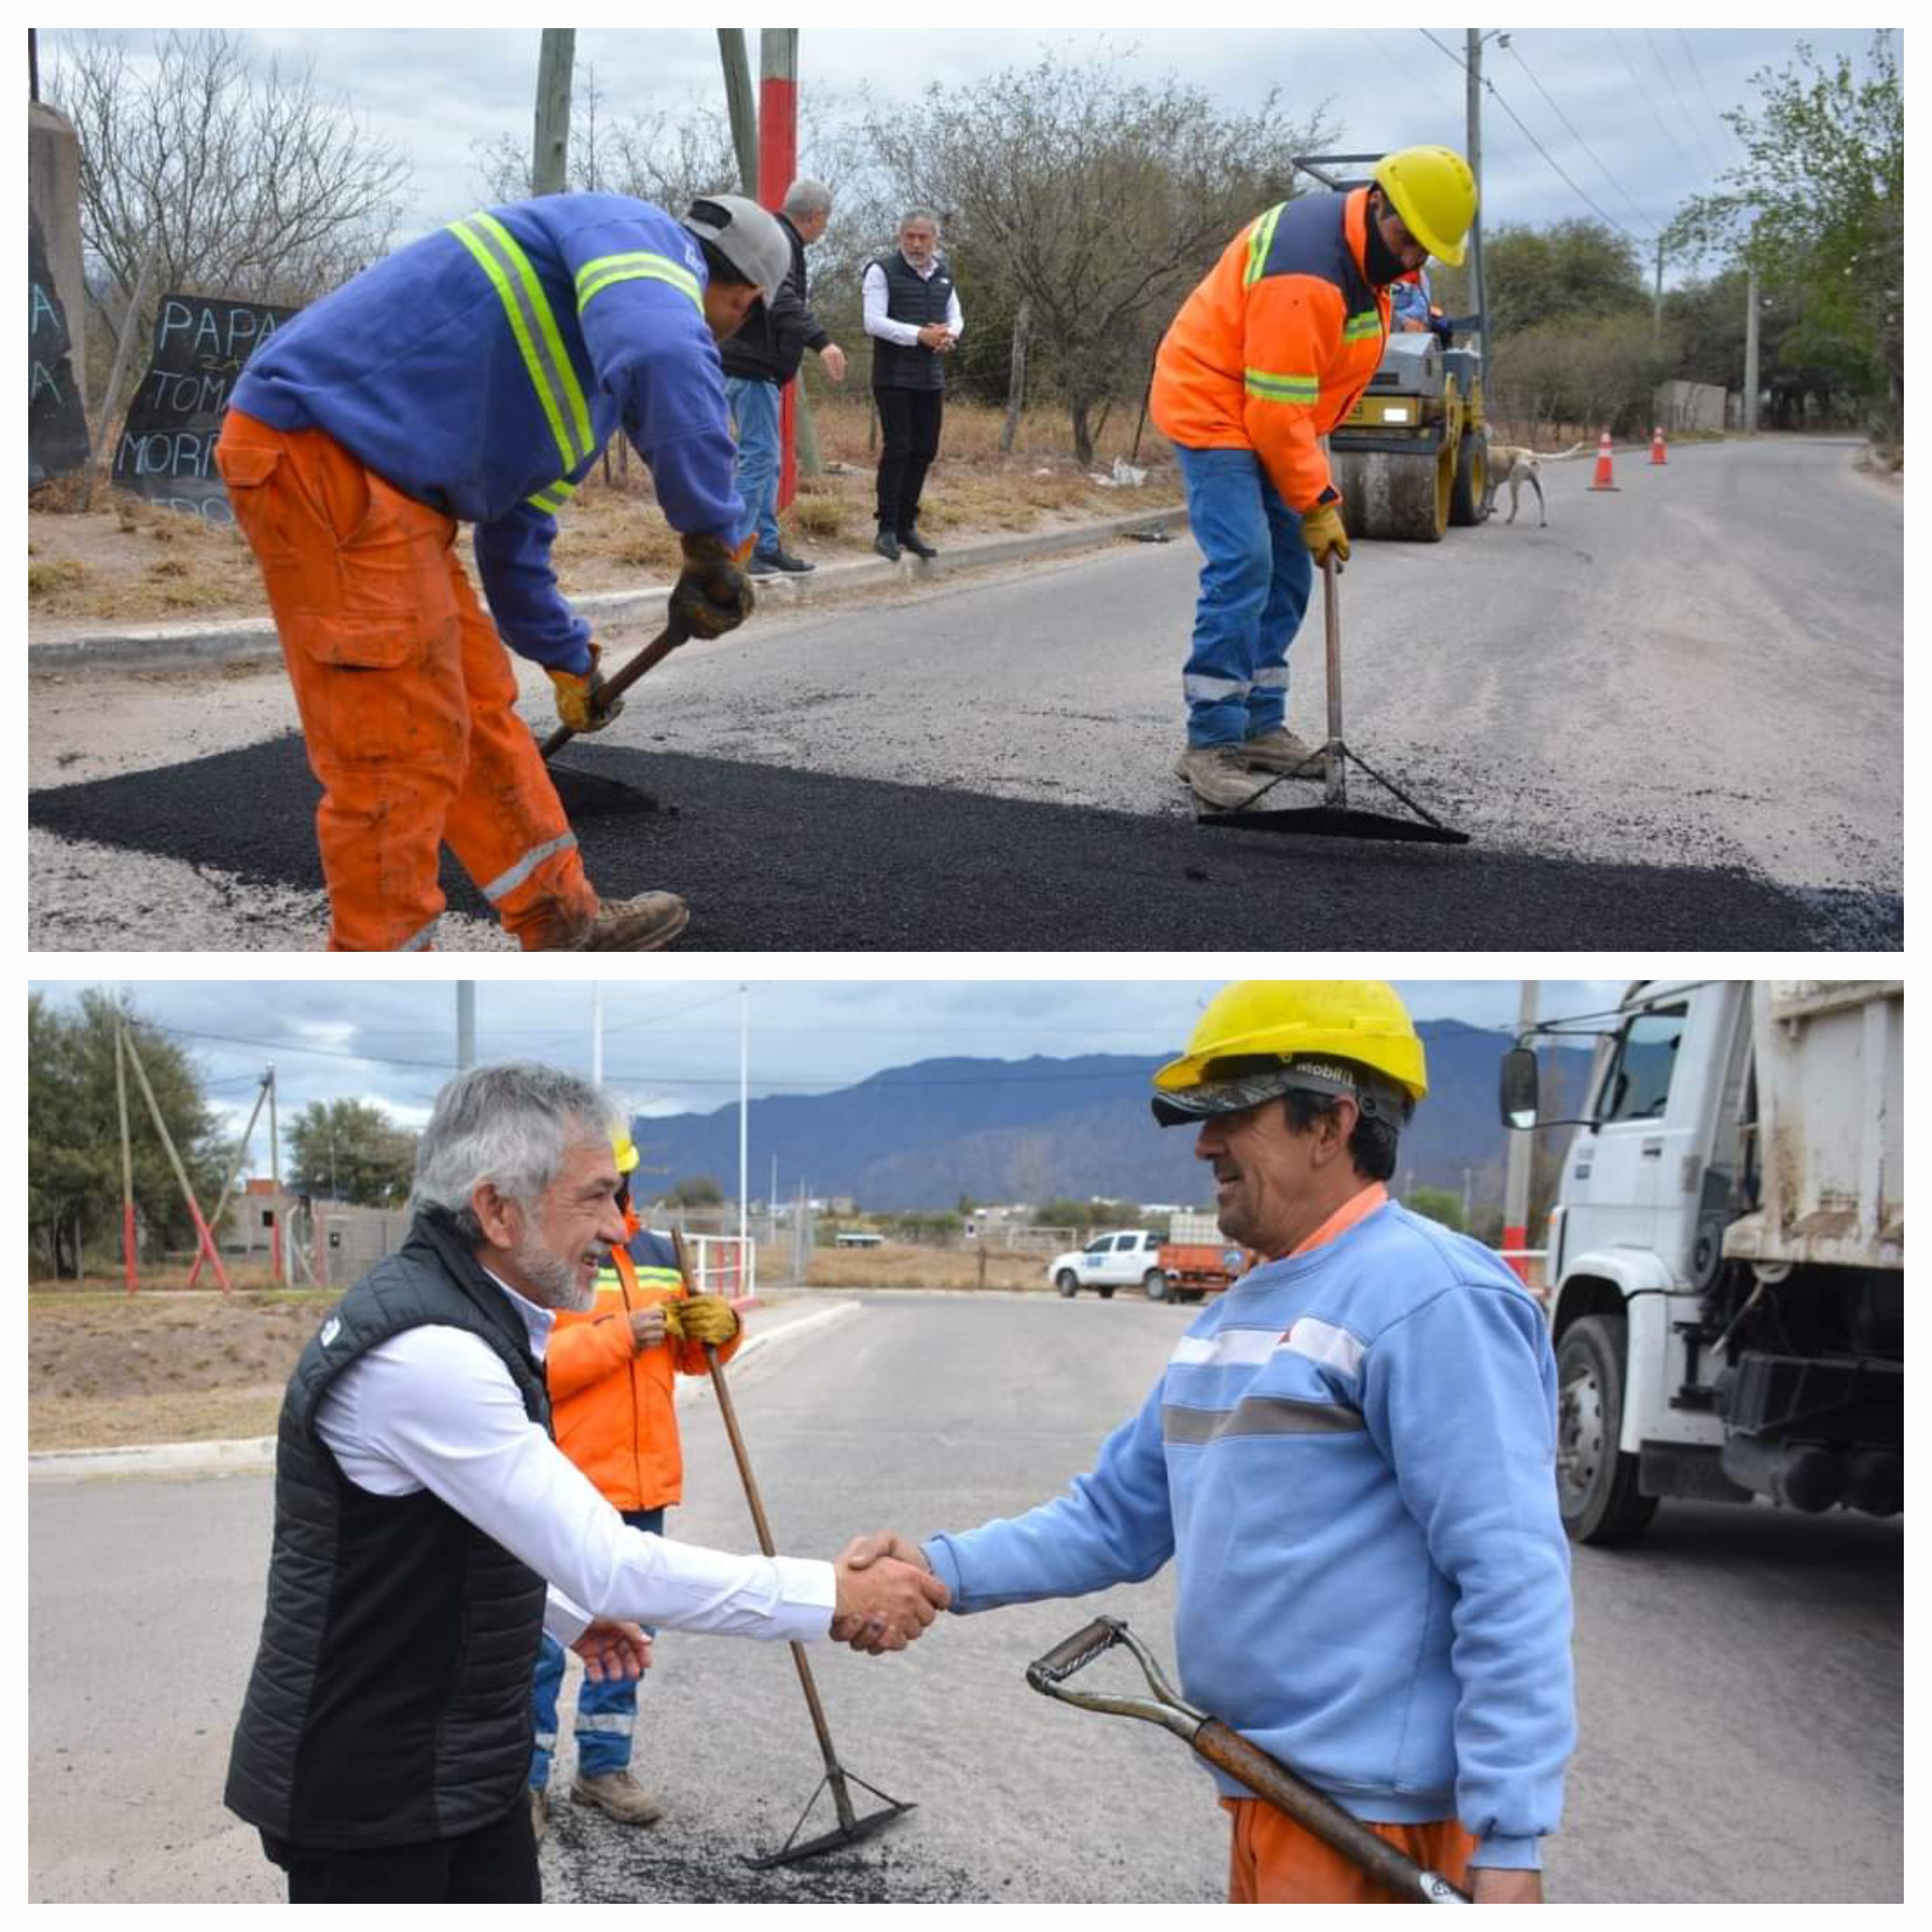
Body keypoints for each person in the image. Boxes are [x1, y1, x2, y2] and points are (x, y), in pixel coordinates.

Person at [841, 981, 1574, 1905]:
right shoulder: (1243, 1311)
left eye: (1233, 1114)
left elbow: (1509, 1572)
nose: (1204, 1144)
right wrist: (940, 1568)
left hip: (1381, 1824)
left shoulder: (1430, 1299)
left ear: (1330, 1123)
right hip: (1274, 1794)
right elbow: (1117, 1515)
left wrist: (1510, 1839)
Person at [224, 1062, 947, 1904]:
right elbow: (612, 1561)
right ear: (496, 1207)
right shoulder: (430, 1351)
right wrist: (832, 1595)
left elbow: (462, 1528)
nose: (617, 1226)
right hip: (376, 1795)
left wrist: (564, 1611)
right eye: (597, 1197)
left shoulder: (471, 1311)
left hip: (452, 1767)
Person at [215, 193, 789, 953]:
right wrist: (712, 539)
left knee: (475, 705)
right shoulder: (636, 238)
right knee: (399, 745)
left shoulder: (586, 383)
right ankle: (381, 964)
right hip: (319, 451)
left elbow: (516, 542)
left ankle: (562, 918)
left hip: (392, 496)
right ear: (746, 299)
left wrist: (570, 662)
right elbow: (662, 354)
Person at [1150, 149, 1478, 810]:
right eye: (1405, 240)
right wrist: (1318, 499)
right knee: (1245, 562)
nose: (1413, 258)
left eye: (1426, 250)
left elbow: (1299, 393)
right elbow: (1274, 412)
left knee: (1292, 572)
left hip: (1270, 408)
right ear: (1378, 201)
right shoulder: (1306, 271)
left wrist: (1309, 491)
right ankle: (1210, 743)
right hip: (1215, 404)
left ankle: (1261, 725)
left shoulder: (1365, 256)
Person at [525, 1130, 743, 1839]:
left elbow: (687, 1357)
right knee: (542, 1642)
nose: (615, 1189)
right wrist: (627, 1335)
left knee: (628, 1638)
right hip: (566, 1483)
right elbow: (534, 1366)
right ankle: (521, 1782)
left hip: (644, 1486)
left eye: (620, 1176)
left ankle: (604, 1769)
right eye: (600, 1178)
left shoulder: (657, 1257)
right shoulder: (544, 1259)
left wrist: (720, 1329)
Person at [719, 178, 849, 576]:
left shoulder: (776, 239)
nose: (824, 228)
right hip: (751, 366)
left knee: (767, 460)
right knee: (757, 459)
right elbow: (782, 299)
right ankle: (739, 550)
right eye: (824, 221)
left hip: (755, 366)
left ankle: (766, 545)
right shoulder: (779, 244)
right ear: (815, 217)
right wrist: (823, 342)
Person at [863, 209, 962, 561]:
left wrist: (948, 336)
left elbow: (956, 316)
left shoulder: (943, 274)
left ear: (934, 239)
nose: (916, 244)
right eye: (910, 237)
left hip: (929, 377)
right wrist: (918, 335)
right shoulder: (881, 271)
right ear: (900, 237)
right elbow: (873, 321)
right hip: (893, 376)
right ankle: (886, 527)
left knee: (924, 450)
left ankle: (907, 524)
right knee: (899, 448)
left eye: (923, 237)